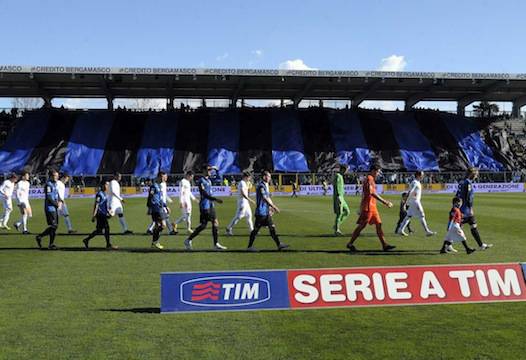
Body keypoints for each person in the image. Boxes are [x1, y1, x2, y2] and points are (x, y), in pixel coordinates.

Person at [346, 164, 396, 252]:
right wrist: (385, 202)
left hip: (372, 207)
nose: (379, 173)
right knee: (362, 226)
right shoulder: (369, 179)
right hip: (368, 207)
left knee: (379, 224)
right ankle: (350, 243)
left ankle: (384, 245)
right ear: (373, 171)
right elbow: (371, 193)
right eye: (378, 171)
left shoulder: (371, 179)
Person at [183, 165, 227, 251]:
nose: (210, 171)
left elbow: (219, 178)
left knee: (203, 225)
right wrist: (215, 199)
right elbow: (204, 194)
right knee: (214, 222)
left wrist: (216, 170)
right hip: (205, 206)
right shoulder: (201, 181)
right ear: (203, 170)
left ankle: (188, 240)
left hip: (210, 205)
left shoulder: (209, 180)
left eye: (211, 170)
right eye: (208, 170)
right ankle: (216, 244)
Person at [247, 171, 289, 252]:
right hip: (261, 212)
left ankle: (279, 244)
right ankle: (249, 247)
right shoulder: (261, 186)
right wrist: (273, 206)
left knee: (272, 228)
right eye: (268, 176)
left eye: (270, 176)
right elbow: (264, 198)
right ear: (264, 177)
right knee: (255, 230)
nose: (270, 178)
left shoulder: (264, 186)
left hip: (265, 213)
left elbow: (267, 197)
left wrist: (270, 208)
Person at [456, 167, 493, 250]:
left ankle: (481, 245)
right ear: (472, 174)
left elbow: (458, 195)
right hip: (465, 210)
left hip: (463, 208)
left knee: (473, 226)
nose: (477, 176)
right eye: (476, 174)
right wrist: (470, 208)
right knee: (457, 228)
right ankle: (447, 245)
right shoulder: (467, 183)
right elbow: (468, 198)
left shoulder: (462, 182)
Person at [396, 171, 436, 237]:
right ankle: (427, 231)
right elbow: (410, 191)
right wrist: (405, 202)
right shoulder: (415, 182)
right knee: (422, 215)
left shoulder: (417, 182)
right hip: (415, 202)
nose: (423, 176)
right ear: (418, 175)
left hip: (413, 201)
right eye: (422, 175)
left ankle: (400, 229)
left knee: (408, 216)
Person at [82, 181, 118, 250]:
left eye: (108, 185)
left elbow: (104, 205)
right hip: (100, 215)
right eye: (106, 185)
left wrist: (109, 211)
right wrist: (94, 215)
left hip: (103, 214)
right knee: (107, 228)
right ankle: (108, 245)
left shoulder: (104, 194)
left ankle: (86, 240)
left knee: (99, 231)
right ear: (102, 185)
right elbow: (96, 205)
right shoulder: (99, 194)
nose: (107, 186)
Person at [35, 169, 61, 249]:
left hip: (54, 208)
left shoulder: (55, 184)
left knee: (55, 226)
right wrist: (56, 204)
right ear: (50, 176)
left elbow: (57, 195)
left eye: (57, 176)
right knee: (53, 226)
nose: (56, 177)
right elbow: (49, 197)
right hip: (50, 208)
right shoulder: (48, 185)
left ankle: (48, 242)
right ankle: (42, 238)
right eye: (54, 176)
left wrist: (60, 201)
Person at [147, 172, 166, 250]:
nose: (163, 178)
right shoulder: (154, 186)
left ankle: (154, 242)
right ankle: (155, 242)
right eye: (162, 177)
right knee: (163, 225)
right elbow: (150, 196)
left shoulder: (159, 186)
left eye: (164, 177)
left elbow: (160, 198)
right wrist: (149, 207)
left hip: (160, 207)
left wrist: (166, 206)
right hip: (156, 208)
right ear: (158, 177)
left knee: (158, 225)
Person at [333, 164, 350, 236]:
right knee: (339, 214)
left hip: (342, 197)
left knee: (347, 212)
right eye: (347, 170)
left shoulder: (340, 176)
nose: (347, 171)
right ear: (344, 169)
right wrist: (338, 197)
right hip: (339, 197)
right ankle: (337, 230)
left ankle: (336, 225)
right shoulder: (338, 176)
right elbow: (336, 186)